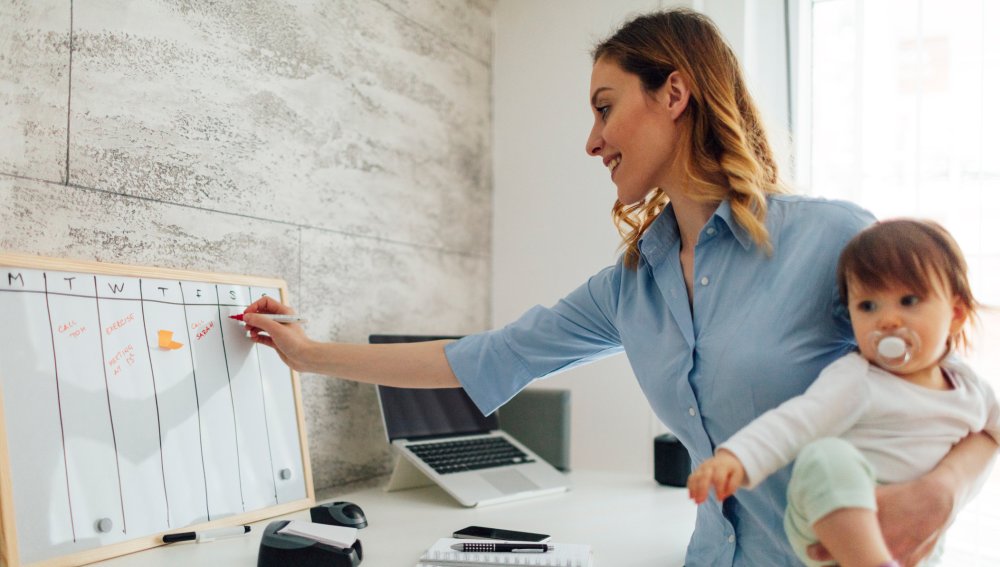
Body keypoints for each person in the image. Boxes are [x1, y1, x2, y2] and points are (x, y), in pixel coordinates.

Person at [239, 8, 998, 566]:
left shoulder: (829, 238)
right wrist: (306, 356)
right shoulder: (633, 286)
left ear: (675, 93)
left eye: (606, 108)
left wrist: (945, 491)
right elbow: (482, 357)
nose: (592, 140)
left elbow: (968, 391)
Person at [687, 219, 1000, 567]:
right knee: (826, 456)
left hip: (915, 535)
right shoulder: (858, 378)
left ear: (955, 315)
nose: (888, 320)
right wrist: (736, 458)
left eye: (909, 300)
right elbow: (795, 421)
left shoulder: (971, 388)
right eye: (868, 306)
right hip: (828, 515)